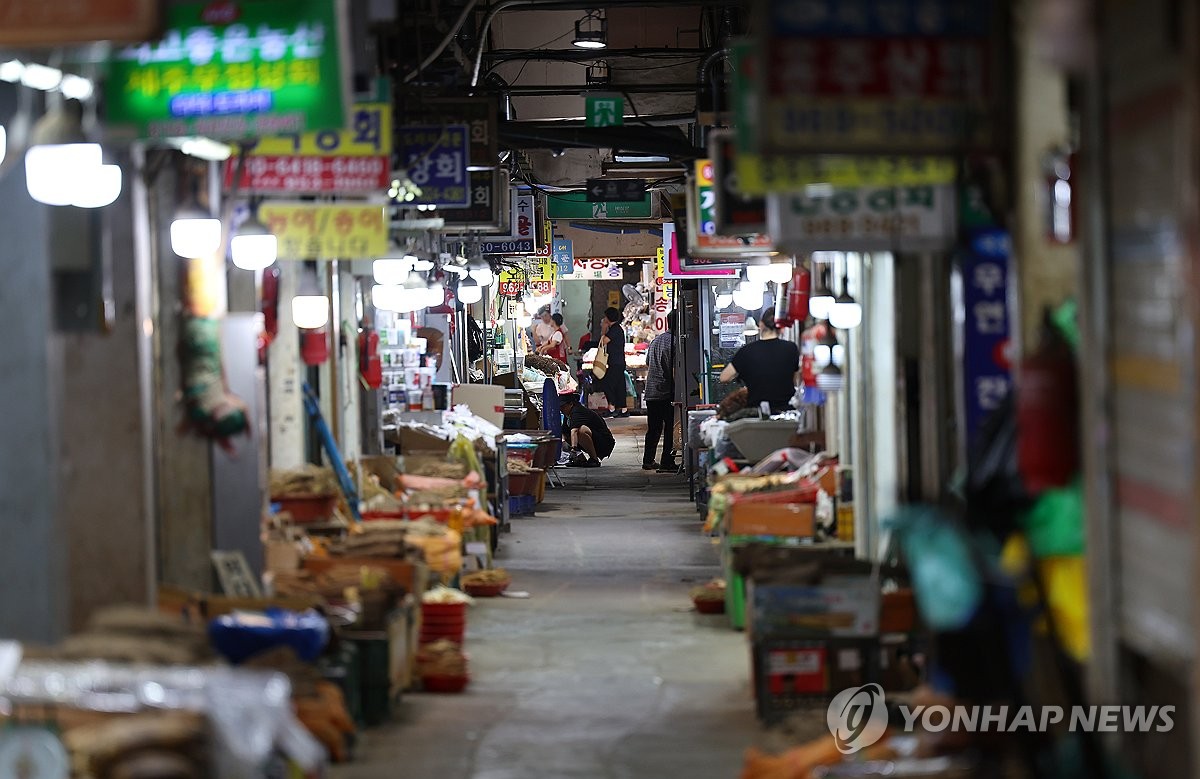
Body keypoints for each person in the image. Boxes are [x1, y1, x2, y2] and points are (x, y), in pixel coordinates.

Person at [719, 307, 800, 413]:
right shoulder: (791, 348)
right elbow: (796, 380)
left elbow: (724, 377)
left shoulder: (746, 351)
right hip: (787, 413)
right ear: (782, 328)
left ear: (761, 325)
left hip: (757, 414)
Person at [642, 311, 678, 472]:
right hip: (665, 391)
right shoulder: (675, 342)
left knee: (654, 429)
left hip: (651, 390)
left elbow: (648, 362)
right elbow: (673, 369)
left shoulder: (656, 340)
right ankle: (667, 462)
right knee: (670, 427)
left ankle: (648, 460)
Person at [559, 392, 615, 467]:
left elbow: (574, 431)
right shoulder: (568, 414)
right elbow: (564, 432)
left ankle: (594, 460)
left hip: (604, 443)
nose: (561, 409)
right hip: (593, 440)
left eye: (563, 407)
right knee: (568, 436)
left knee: (581, 431)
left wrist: (573, 449)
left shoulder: (577, 411)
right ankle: (580, 459)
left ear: (571, 404)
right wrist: (563, 442)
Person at [597, 306, 628, 417]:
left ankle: (612, 407)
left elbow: (603, 342)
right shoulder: (618, 328)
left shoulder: (614, 329)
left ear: (608, 318)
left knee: (607, 384)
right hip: (618, 362)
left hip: (615, 362)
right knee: (619, 385)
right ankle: (623, 410)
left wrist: (603, 330)